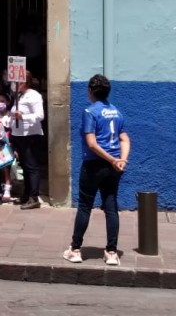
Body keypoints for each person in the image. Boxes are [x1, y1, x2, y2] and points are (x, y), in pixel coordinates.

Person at [64, 74, 131, 266]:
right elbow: (125, 138)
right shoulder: (116, 112)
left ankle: (75, 249)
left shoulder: (90, 111)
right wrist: (121, 160)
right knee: (111, 206)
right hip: (113, 166)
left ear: (91, 91)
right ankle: (111, 252)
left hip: (94, 165)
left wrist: (112, 160)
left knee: (85, 205)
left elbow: (92, 144)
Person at [10, 70, 45, 209]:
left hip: (30, 135)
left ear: (25, 82)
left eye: (18, 81)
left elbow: (40, 115)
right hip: (19, 135)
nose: (15, 84)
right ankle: (26, 194)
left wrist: (23, 117)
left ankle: (34, 197)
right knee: (24, 166)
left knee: (32, 166)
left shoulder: (33, 95)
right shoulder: (19, 95)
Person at [0, 93, 14, 202]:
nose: (0, 103)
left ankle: (7, 189)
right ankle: (0, 189)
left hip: (7, 145)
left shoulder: (11, 116)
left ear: (7, 102)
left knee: (6, 168)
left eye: (2, 101)